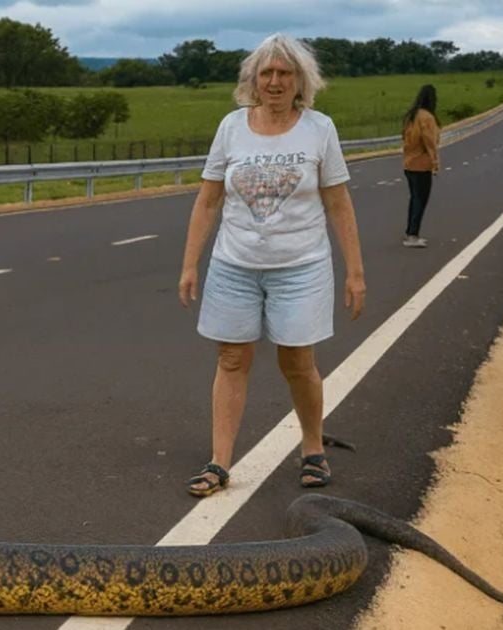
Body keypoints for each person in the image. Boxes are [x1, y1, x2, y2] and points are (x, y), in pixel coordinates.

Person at [178, 33, 365, 498]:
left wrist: (355, 272)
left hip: (300, 264)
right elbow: (208, 200)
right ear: (253, 80)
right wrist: (190, 265)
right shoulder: (232, 127)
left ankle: (313, 449)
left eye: (285, 73)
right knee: (232, 356)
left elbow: (339, 204)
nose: (275, 82)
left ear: (301, 80)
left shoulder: (319, 129)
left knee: (297, 360)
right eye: (267, 73)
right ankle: (220, 462)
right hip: (235, 263)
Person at [401, 84, 440, 248]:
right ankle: (412, 235)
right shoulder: (427, 117)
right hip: (421, 164)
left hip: (409, 163)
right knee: (420, 200)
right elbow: (429, 141)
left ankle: (410, 231)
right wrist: (435, 161)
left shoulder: (412, 116)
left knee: (414, 198)